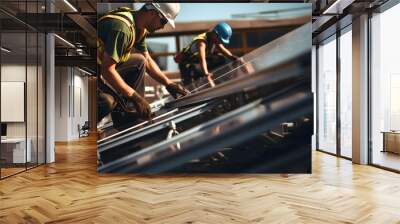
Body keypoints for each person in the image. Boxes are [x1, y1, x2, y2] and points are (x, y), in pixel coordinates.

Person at [97, 3, 190, 129]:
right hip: (92, 74)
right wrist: (136, 97)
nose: (163, 26)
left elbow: (147, 60)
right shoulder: (123, 28)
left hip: (103, 68)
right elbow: (107, 70)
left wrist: (169, 83)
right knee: (107, 102)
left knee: (139, 61)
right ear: (152, 13)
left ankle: (128, 118)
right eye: (163, 21)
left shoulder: (139, 28)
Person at [175, 22, 241, 87]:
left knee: (222, 59)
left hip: (197, 62)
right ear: (215, 34)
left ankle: (224, 81)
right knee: (191, 81)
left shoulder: (214, 38)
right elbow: (202, 59)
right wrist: (206, 74)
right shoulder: (201, 42)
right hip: (187, 64)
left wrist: (233, 58)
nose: (220, 42)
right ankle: (192, 88)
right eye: (220, 40)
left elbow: (223, 50)